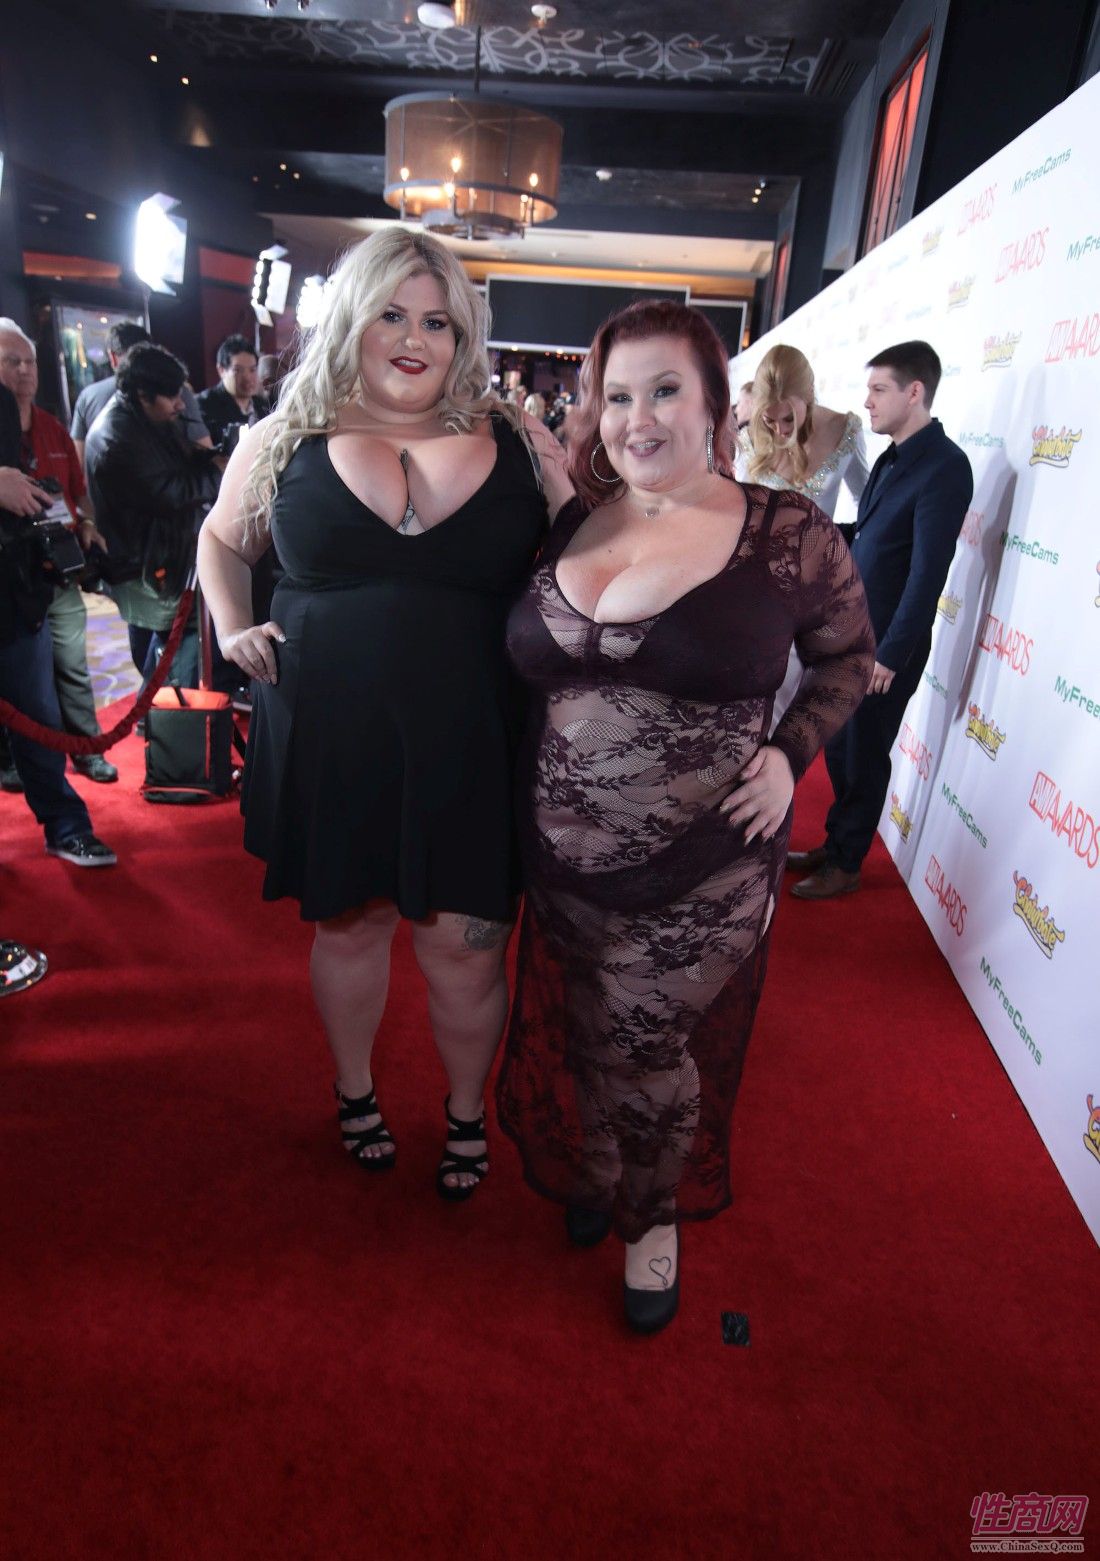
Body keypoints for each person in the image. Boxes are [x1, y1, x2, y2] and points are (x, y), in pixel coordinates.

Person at [498, 300, 875, 1332]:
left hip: (705, 863)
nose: (640, 418)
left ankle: (651, 1219)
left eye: (665, 390)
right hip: (562, 860)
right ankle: (601, 1165)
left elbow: (849, 658)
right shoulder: (575, 519)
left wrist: (788, 755)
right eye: (618, 396)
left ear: (718, 403)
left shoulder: (785, 532)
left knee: (644, 1042)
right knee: (588, 1027)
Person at [197, 229, 570, 1199]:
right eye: (392, 315)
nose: (414, 339)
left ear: (463, 336)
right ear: (351, 320)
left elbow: (587, 559)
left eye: (437, 322)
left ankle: (465, 1112)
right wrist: (232, 624)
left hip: (475, 740)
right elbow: (222, 542)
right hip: (332, 737)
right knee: (350, 931)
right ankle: (355, 1091)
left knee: (465, 951)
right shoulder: (283, 434)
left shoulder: (519, 441)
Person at [790, 340, 973, 899]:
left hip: (887, 644)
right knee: (840, 747)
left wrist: (891, 655)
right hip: (853, 634)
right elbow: (872, 538)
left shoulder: (945, 467)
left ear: (914, 392)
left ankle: (847, 863)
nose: (866, 401)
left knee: (864, 752)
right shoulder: (892, 458)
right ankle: (835, 844)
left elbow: (927, 572)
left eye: (878, 389)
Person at [0, 380, 116, 867]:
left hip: (15, 590)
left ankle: (66, 826)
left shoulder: (6, 403)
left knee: (38, 715)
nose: (24, 371)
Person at [737, 344, 870, 729]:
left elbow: (867, 502)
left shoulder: (845, 430)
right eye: (770, 420)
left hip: (813, 588)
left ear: (809, 396)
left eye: (788, 419)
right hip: (755, 584)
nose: (780, 430)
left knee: (794, 698)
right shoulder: (750, 439)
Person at [85, 345, 220, 687]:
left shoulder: (141, 418)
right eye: (171, 396)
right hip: (144, 567)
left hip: (159, 557)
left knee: (165, 645)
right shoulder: (117, 437)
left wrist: (208, 458)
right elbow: (171, 493)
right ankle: (158, 711)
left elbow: (175, 469)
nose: (180, 404)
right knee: (167, 651)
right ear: (143, 395)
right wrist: (220, 471)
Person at [70, 322, 211, 466]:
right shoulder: (172, 388)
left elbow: (78, 462)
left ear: (112, 356)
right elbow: (204, 447)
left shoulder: (87, 397)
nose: (179, 405)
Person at [197, 335, 271, 454]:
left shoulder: (263, 406)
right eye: (238, 370)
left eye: (252, 370)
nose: (247, 378)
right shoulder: (204, 405)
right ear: (221, 370)